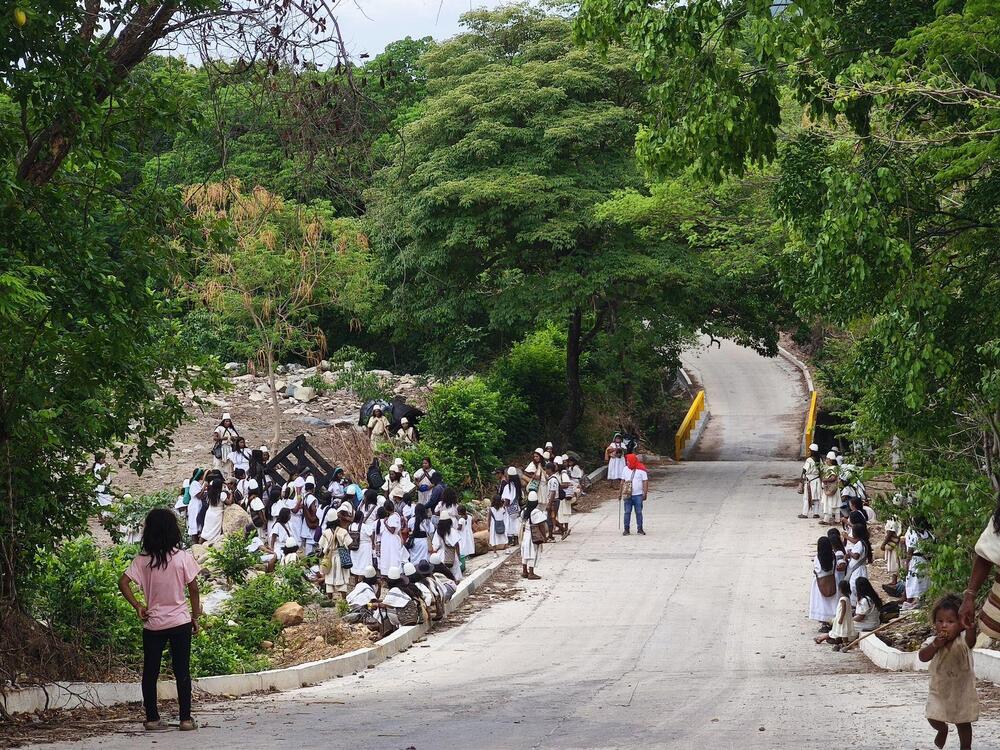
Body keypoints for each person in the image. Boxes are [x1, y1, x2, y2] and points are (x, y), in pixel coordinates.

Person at [118, 508, 201, 732]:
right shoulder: (183, 557)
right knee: (182, 670)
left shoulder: (142, 561)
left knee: (150, 671)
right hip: (180, 622)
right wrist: (195, 616)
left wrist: (138, 606)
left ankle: (153, 719)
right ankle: (185, 719)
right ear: (173, 530)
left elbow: (123, 582)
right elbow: (193, 588)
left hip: (153, 623)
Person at [919, 594, 978, 750]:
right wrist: (935, 646)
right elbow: (922, 657)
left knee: (963, 723)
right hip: (939, 690)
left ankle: (966, 747)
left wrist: (970, 626)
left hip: (962, 691)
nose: (944, 625)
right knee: (932, 717)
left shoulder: (963, 640)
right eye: (940, 621)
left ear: (961, 623)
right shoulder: (933, 642)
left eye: (951, 622)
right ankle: (942, 729)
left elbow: (972, 640)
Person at [318, 502, 354, 598]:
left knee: (329, 578)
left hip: (329, 557)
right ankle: (343, 599)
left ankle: (330, 598)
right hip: (340, 557)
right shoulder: (343, 531)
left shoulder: (326, 533)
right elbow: (350, 544)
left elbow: (321, 546)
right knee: (342, 578)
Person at [814, 579, 856, 649]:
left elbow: (843, 610)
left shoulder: (843, 599)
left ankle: (821, 639)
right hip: (845, 619)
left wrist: (841, 619)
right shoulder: (847, 598)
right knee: (844, 632)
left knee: (838, 632)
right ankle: (844, 643)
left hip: (842, 619)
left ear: (840, 589)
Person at [809, 536, 838, 631]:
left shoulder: (818, 557)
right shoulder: (833, 556)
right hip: (832, 580)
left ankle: (824, 623)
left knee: (822, 603)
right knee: (832, 602)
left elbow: (818, 570)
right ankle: (832, 621)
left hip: (820, 582)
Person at [902, 521, 932, 610]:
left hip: (916, 561)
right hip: (925, 559)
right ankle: (918, 600)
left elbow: (910, 552)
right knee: (921, 581)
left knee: (913, 581)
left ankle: (910, 599)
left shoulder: (914, 535)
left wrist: (907, 563)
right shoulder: (928, 534)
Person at [377, 498, 408, 577]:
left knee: (392, 557)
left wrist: (385, 523)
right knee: (389, 556)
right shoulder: (395, 515)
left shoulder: (393, 517)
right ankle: (389, 573)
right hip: (389, 540)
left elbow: (392, 530)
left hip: (391, 540)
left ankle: (393, 573)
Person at [620, 453, 648, 536]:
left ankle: (640, 529)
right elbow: (622, 481)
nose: (627, 462)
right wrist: (620, 493)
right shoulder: (625, 469)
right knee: (627, 512)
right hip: (627, 495)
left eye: (628, 461)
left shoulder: (641, 469)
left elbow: (645, 482)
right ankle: (626, 529)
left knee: (639, 512)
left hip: (638, 495)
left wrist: (645, 493)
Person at [520, 494, 546, 580]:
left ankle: (524, 571)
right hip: (533, 535)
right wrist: (544, 536)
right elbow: (541, 525)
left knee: (525, 553)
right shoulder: (536, 512)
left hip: (526, 534)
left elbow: (521, 520)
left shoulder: (524, 511)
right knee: (532, 553)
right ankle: (531, 573)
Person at [845, 522, 872, 603]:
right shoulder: (863, 542)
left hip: (858, 570)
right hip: (859, 569)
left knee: (854, 587)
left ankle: (856, 604)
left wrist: (849, 552)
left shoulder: (860, 543)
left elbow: (856, 556)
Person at [432, 515, 463, 582]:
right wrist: (458, 554)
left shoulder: (438, 531)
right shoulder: (452, 531)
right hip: (451, 553)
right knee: (455, 572)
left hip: (441, 555)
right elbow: (456, 544)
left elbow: (435, 546)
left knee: (445, 573)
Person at [199, 476, 227, 544]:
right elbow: (229, 502)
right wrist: (231, 493)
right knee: (215, 531)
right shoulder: (221, 494)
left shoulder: (209, 494)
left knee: (206, 530)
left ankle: (199, 544)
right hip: (217, 514)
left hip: (209, 513)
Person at [798, 443, 821, 518]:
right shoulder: (820, 460)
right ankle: (816, 513)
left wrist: (801, 479)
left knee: (807, 497)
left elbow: (804, 470)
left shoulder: (809, 460)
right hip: (817, 480)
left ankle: (805, 513)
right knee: (816, 497)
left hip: (810, 481)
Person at [501, 466, 522, 546]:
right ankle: (516, 540)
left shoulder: (507, 487)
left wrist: (503, 507)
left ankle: (510, 541)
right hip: (516, 508)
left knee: (508, 523)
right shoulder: (517, 486)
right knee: (515, 523)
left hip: (509, 509)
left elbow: (507, 499)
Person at [185, 468, 206, 542]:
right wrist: (204, 487)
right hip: (195, 505)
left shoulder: (196, 483)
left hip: (197, 504)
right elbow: (199, 495)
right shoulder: (194, 483)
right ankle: (195, 543)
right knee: (194, 523)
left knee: (197, 523)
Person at [819, 451, 840, 524]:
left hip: (830, 488)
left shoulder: (832, 468)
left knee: (829, 503)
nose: (826, 460)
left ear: (831, 460)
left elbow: (833, 478)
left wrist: (825, 480)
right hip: (835, 488)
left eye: (827, 459)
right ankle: (837, 519)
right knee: (836, 504)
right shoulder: (835, 467)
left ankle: (826, 519)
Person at [882, 518, 902, 586]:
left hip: (894, 543)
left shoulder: (894, 518)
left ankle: (895, 581)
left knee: (895, 562)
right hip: (895, 543)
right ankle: (894, 580)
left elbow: (890, 531)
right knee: (894, 561)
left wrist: (884, 544)